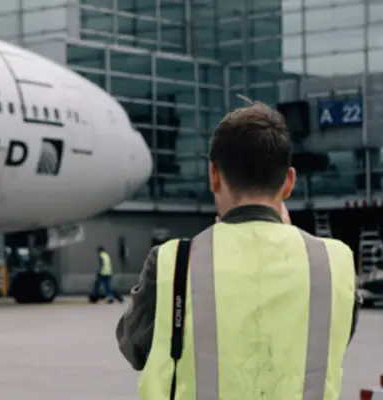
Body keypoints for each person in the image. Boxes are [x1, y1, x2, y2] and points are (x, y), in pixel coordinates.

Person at [116, 101, 361, 400]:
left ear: (214, 175)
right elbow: (332, 343)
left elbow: (133, 347)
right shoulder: (333, 262)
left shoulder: (175, 262)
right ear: (288, 182)